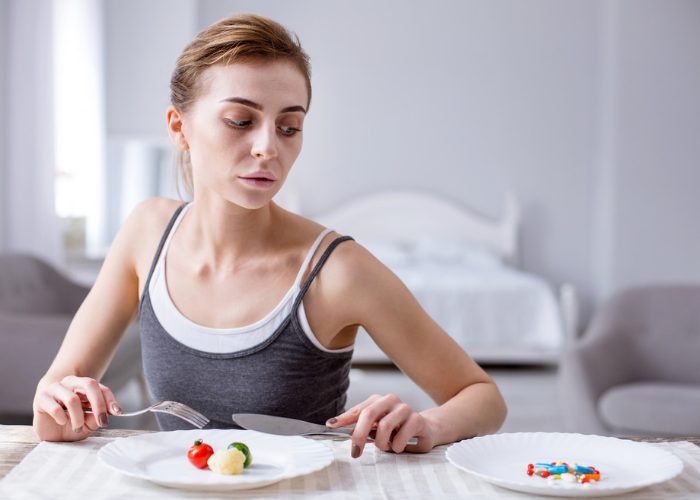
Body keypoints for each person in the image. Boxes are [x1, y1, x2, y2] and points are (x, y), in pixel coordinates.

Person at [32, 13, 506, 458]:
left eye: (289, 127)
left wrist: (428, 424)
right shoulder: (146, 233)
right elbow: (50, 412)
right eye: (241, 121)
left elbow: (482, 397)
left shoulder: (338, 271)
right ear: (179, 127)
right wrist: (63, 404)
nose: (267, 148)